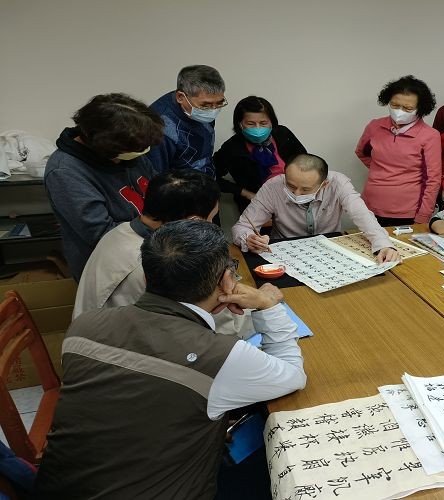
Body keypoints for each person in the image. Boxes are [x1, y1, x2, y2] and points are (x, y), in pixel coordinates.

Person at [35, 220, 307, 499]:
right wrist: (266, 305)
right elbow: (293, 375)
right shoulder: (221, 357)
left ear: (145, 277)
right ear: (226, 281)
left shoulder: (83, 326)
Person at [44, 93, 164, 279]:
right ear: (107, 149)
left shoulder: (127, 150)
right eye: (134, 151)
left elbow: (156, 186)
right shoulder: (65, 172)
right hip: (110, 267)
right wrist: (154, 223)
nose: (140, 154)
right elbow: (100, 233)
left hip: (149, 248)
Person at [232, 153, 400, 263]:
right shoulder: (273, 186)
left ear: (324, 184)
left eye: (305, 189)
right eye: (291, 186)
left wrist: (383, 244)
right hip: (286, 253)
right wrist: (248, 238)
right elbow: (241, 227)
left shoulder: (338, 183)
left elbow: (362, 215)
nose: (296, 193)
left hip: (330, 250)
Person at [355, 75, 441, 226]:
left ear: (421, 109)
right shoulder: (375, 126)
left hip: (407, 211)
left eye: (408, 108)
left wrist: (423, 216)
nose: (399, 111)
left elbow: (433, 180)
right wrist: (380, 170)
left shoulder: (430, 136)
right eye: (394, 105)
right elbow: (362, 152)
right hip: (370, 206)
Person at [214, 96, 307, 213]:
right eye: (251, 123)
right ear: (240, 124)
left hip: (294, 196)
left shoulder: (282, 133)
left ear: (272, 122)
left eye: (263, 123)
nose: (258, 128)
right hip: (258, 203)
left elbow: (305, 161)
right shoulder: (232, 147)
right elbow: (211, 176)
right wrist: (246, 193)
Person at [147, 65, 226, 177]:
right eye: (206, 105)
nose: (213, 110)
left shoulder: (201, 109)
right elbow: (157, 176)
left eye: (219, 103)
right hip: (180, 185)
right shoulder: (159, 127)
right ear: (180, 97)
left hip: (206, 178)